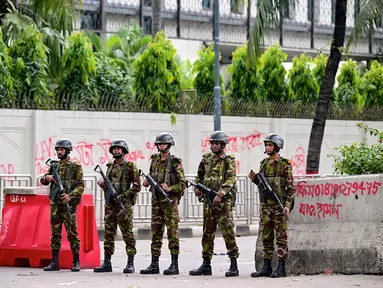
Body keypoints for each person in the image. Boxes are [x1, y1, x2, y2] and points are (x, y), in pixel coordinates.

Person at [189, 131, 239, 277]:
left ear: (223, 145)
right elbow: (199, 175)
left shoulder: (228, 160)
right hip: (208, 201)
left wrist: (221, 194)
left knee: (228, 232)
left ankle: (234, 264)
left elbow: (230, 179)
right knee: (207, 233)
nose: (214, 145)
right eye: (212, 143)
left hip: (222, 203)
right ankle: (206, 264)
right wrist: (198, 188)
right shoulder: (206, 159)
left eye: (217, 143)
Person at [248, 133, 296, 278]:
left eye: (270, 145)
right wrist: (255, 179)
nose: (267, 148)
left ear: (277, 147)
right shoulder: (263, 163)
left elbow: (290, 188)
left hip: (278, 206)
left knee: (281, 238)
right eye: (266, 145)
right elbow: (262, 185)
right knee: (266, 237)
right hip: (266, 207)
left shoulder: (284, 164)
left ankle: (281, 268)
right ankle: (266, 267)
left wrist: (287, 206)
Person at [140, 132, 186, 276]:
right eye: (159, 144)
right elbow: (151, 175)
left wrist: (170, 188)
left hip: (169, 203)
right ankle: (154, 264)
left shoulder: (175, 162)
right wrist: (147, 182)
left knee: (172, 233)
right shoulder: (154, 160)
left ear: (169, 145)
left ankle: (174, 264)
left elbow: (182, 184)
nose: (161, 146)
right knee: (156, 233)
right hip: (156, 202)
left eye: (163, 143)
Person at [93, 139, 141, 273]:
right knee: (108, 234)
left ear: (124, 151)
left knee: (127, 234)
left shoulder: (130, 166)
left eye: (118, 148)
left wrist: (124, 195)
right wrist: (103, 183)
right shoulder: (109, 167)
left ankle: (130, 263)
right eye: (114, 148)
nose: (116, 150)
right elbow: (107, 184)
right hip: (110, 206)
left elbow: (137, 186)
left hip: (123, 205)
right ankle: (107, 263)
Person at [40, 138, 84, 272]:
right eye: (58, 149)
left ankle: (76, 261)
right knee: (55, 234)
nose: (59, 152)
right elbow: (44, 180)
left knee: (72, 233)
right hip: (55, 203)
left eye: (61, 149)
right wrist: (46, 178)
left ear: (67, 150)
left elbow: (81, 185)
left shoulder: (75, 166)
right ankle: (54, 262)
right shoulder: (54, 165)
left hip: (68, 204)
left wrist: (70, 196)